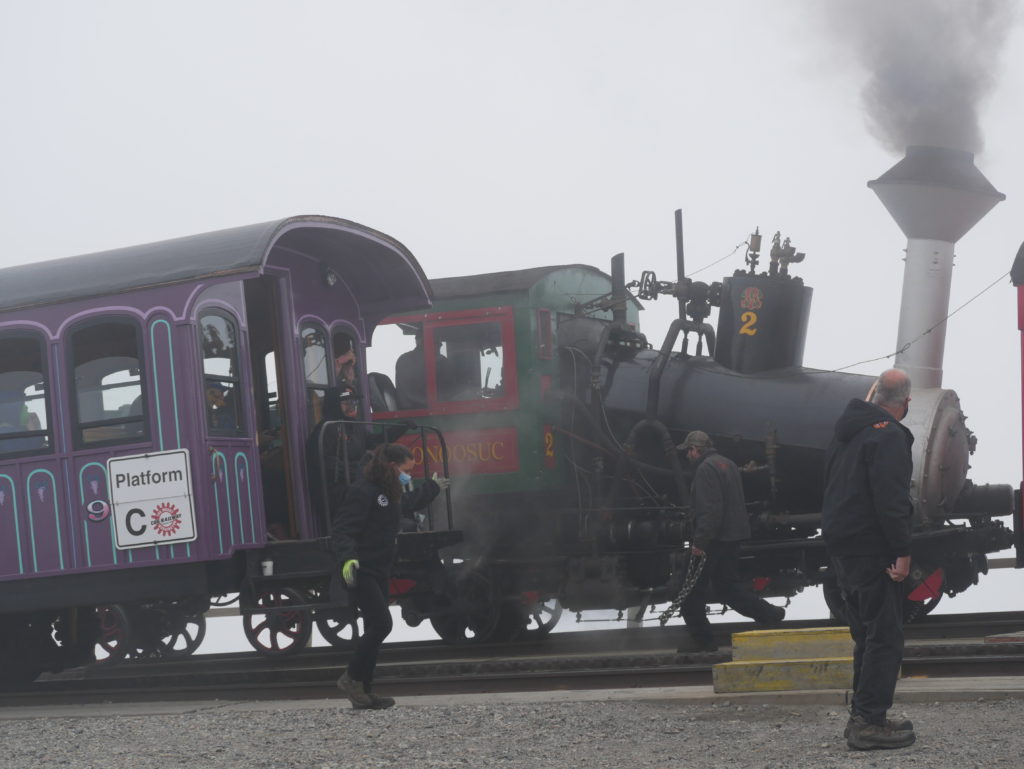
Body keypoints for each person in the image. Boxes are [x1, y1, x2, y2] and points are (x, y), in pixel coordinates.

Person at [822, 368, 916, 750]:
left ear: (875, 394)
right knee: (885, 636)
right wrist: (903, 551)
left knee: (865, 634)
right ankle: (868, 723)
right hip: (872, 548)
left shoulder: (846, 433)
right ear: (905, 403)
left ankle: (863, 716)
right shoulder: (888, 437)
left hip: (844, 547)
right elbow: (891, 502)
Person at [331, 443, 450, 709]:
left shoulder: (387, 491)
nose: (408, 475)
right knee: (382, 625)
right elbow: (342, 528)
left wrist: (431, 489)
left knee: (373, 627)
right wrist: (348, 557)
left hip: (380, 568)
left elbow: (405, 504)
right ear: (392, 467)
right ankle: (351, 679)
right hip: (361, 569)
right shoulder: (362, 491)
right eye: (406, 470)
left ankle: (364, 691)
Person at [675, 430, 785, 653]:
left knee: (688, 590)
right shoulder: (727, 464)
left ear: (696, 450)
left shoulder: (705, 469)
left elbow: (710, 509)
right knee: (727, 588)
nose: (687, 455)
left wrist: (700, 542)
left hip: (713, 538)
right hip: (732, 537)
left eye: (688, 450)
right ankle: (770, 614)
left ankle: (701, 640)